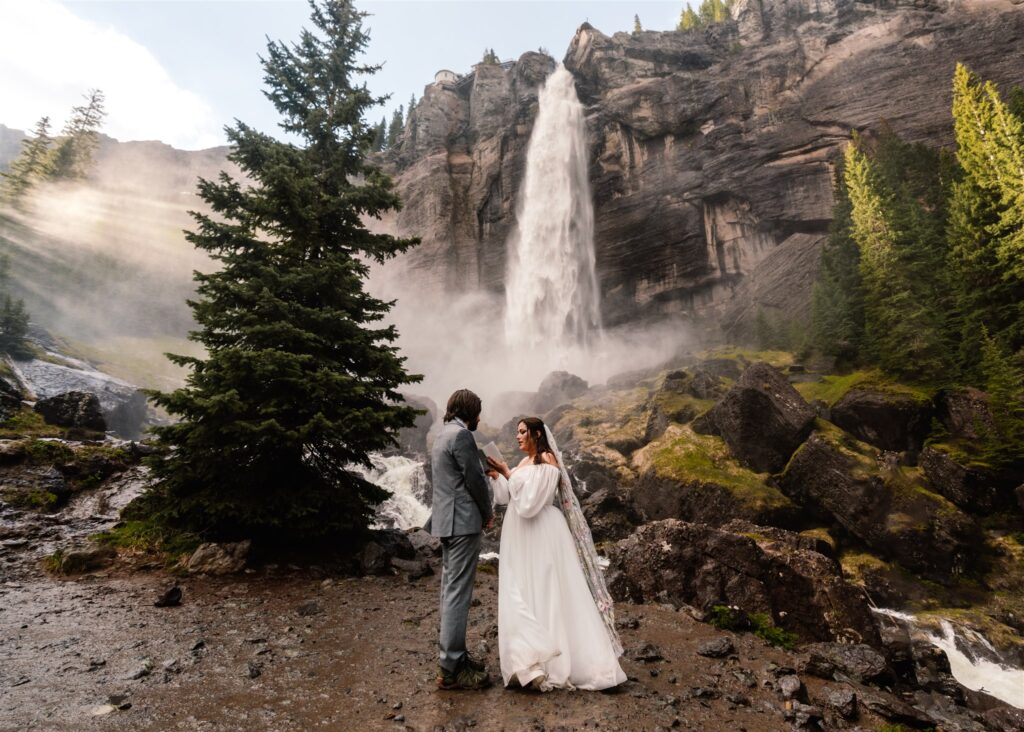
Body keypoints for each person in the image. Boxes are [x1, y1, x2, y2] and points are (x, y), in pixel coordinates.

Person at [486, 417, 626, 691]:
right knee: (525, 590)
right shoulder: (524, 463)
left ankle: (560, 662)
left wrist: (508, 472)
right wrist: (499, 477)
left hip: (541, 533)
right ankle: (532, 660)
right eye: (517, 432)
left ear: (537, 434)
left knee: (549, 591)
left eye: (523, 432)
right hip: (520, 536)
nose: (518, 437)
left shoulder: (548, 459)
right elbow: (508, 499)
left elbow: (530, 505)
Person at [426, 388, 493, 690]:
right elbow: (475, 480)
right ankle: (451, 667)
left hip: (444, 522)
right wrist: (488, 512)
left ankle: (455, 657)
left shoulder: (441, 435)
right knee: (457, 595)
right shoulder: (463, 436)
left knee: (448, 591)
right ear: (471, 411)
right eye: (478, 411)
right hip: (463, 523)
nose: (480, 416)